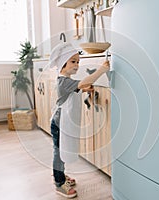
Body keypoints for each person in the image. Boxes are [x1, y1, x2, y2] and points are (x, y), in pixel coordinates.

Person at [49, 42, 110, 198]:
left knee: (63, 149)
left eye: (78, 61)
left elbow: (76, 89)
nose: (77, 65)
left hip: (62, 119)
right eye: (73, 61)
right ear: (63, 63)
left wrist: (82, 89)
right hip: (59, 121)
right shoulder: (63, 81)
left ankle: (60, 174)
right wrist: (102, 70)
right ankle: (59, 182)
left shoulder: (65, 79)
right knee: (59, 151)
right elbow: (84, 82)